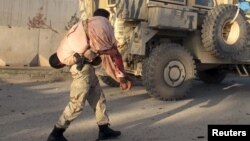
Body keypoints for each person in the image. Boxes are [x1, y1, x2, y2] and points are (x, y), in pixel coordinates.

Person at [47, 8, 132, 141]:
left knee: (97, 98)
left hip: (84, 71)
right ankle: (56, 133)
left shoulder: (63, 55)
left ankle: (104, 129)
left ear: (59, 64)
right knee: (78, 103)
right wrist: (121, 76)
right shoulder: (94, 25)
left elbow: (100, 55)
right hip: (84, 70)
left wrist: (120, 76)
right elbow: (107, 54)